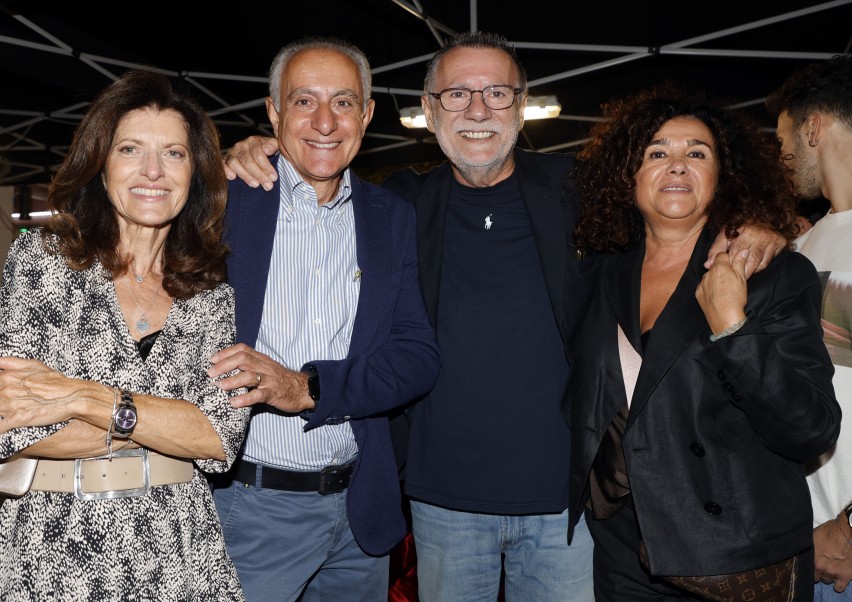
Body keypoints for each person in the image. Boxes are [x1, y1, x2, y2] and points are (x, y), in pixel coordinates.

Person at [224, 31, 789, 602]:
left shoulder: (578, 192)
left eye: (496, 93)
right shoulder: (398, 205)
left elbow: (674, 203)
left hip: (563, 502)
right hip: (441, 500)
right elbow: (306, 160)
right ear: (429, 110)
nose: (477, 111)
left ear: (520, 107)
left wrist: (751, 223)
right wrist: (249, 151)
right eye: (457, 95)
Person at [0, 70, 250, 601]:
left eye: (173, 153)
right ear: (100, 166)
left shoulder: (210, 293)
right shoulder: (44, 263)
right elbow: (0, 428)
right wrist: (167, 424)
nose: (153, 171)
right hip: (54, 549)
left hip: (180, 552)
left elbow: (218, 439)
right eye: (130, 149)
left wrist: (81, 397)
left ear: (195, 174)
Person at [567, 87, 841, 600]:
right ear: (629, 175)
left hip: (732, 558)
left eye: (697, 153)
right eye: (657, 153)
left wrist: (733, 328)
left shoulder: (775, 276)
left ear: (724, 176)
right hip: (624, 550)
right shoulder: (599, 270)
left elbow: (811, 430)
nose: (677, 164)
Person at [206, 36, 441, 601]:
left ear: (367, 114)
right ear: (273, 112)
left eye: (343, 102)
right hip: (248, 509)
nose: (325, 122)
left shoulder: (391, 217)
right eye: (304, 101)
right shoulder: (223, 199)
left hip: (359, 513)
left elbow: (416, 357)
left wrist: (308, 387)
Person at [767, 53, 852, 600]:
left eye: (783, 141)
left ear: (813, 128)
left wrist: (849, 527)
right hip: (806, 541)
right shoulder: (802, 245)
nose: (781, 158)